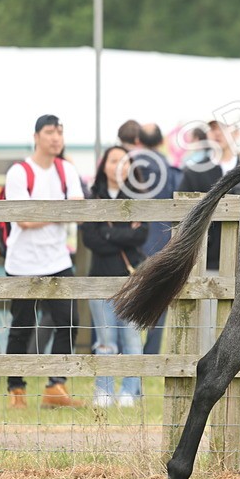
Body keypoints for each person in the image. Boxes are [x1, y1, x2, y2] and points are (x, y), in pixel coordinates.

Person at [178, 121, 240, 410]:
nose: (218, 135)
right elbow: (182, 217)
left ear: (236, 133)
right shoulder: (195, 173)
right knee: (205, 327)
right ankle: (204, 384)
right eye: (213, 130)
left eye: (224, 129)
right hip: (208, 263)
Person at [4, 114, 86, 409]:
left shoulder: (67, 170)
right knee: (22, 326)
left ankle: (56, 385)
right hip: (22, 261)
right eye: (50, 132)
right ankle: (16, 389)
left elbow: (78, 212)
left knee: (69, 321)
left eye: (60, 132)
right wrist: (59, 212)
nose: (56, 137)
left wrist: (49, 213)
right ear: (36, 135)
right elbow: (23, 219)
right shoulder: (19, 171)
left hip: (57, 257)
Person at [81, 146, 148, 407]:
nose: (118, 165)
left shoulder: (138, 198)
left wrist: (108, 233)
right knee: (105, 339)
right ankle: (104, 391)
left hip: (131, 277)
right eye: (113, 160)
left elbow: (141, 236)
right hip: (99, 276)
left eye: (124, 161)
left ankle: (130, 392)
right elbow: (90, 239)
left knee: (132, 337)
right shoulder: (94, 197)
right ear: (104, 165)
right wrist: (121, 235)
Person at [133, 122, 181, 357]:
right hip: (161, 242)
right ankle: (149, 354)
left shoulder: (131, 164)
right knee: (158, 305)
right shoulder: (169, 169)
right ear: (161, 142)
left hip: (133, 243)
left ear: (139, 141)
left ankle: (127, 352)